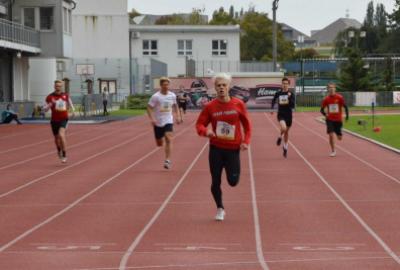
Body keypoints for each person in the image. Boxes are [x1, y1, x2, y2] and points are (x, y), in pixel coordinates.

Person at [196, 73, 252, 221]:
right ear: (215, 88)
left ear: (228, 87)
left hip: (233, 149)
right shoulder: (210, 106)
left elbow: (247, 125)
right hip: (216, 149)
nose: (221, 88)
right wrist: (206, 131)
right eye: (218, 85)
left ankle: (230, 183)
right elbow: (199, 124)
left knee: (233, 182)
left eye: (224, 85)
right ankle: (220, 208)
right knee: (215, 181)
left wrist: (246, 141)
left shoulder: (238, 104)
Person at [147, 77, 182, 169]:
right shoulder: (156, 96)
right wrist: (152, 118)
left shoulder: (172, 95)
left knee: (169, 138)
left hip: (168, 120)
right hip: (158, 122)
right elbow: (149, 108)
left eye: (167, 84)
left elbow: (175, 106)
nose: (166, 86)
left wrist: (178, 116)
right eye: (164, 85)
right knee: (159, 143)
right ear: (161, 85)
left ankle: (167, 160)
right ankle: (160, 140)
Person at [44, 80, 75, 163]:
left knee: (61, 135)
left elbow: (70, 103)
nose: (58, 87)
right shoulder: (50, 97)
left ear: (61, 87)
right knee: (56, 138)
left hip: (64, 118)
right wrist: (50, 104)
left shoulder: (65, 95)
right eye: (56, 86)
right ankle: (59, 150)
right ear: (54, 87)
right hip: (54, 120)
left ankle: (64, 154)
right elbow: (45, 109)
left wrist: (73, 111)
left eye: (59, 86)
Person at [320, 82, 349, 157]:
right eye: (330, 87)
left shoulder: (339, 97)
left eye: (333, 87)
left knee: (339, 138)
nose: (331, 89)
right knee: (331, 135)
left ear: (335, 89)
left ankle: (338, 132)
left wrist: (347, 116)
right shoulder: (326, 99)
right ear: (328, 89)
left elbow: (345, 107)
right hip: (330, 119)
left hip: (338, 120)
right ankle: (333, 150)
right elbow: (322, 110)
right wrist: (325, 114)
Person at [271, 77, 295, 158]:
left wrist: (289, 97)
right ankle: (279, 137)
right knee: (283, 128)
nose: (284, 85)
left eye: (286, 84)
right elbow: (273, 100)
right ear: (281, 84)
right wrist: (272, 108)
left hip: (289, 115)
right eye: (283, 83)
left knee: (287, 132)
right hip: (281, 114)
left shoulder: (291, 94)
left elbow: (292, 105)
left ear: (288, 84)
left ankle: (285, 147)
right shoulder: (278, 93)